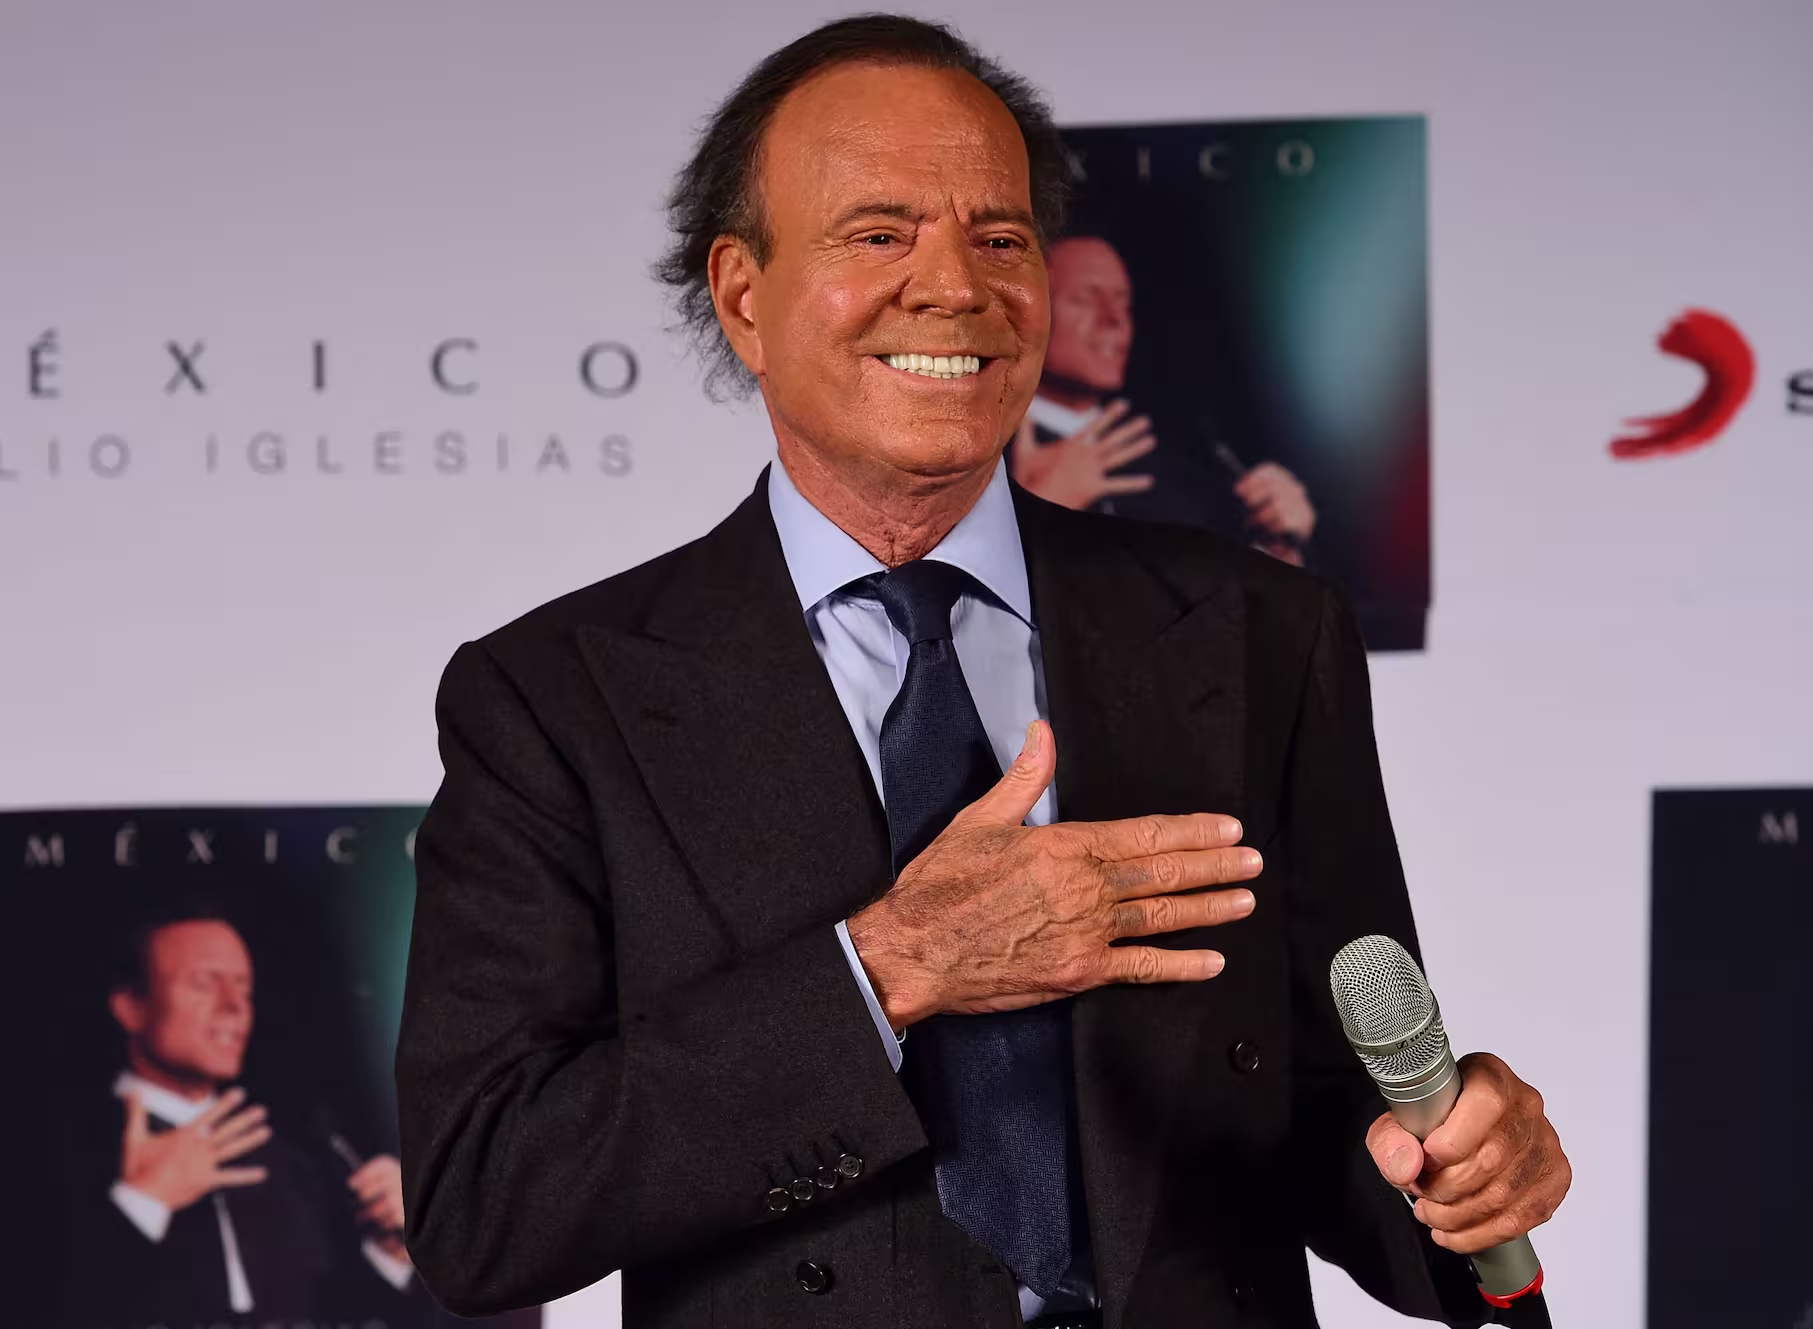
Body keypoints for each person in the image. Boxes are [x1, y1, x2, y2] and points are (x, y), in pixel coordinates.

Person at [395, 16, 1569, 1328]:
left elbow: (1330, 1104)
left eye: (1002, 239)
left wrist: (1459, 1170)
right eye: (878, 233)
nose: (956, 286)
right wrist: (888, 968)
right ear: (742, 296)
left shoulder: (1256, 630)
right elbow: (484, 1202)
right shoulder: (557, 699)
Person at [71, 906, 423, 1325]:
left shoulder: (294, 1158)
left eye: (243, 986)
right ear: (131, 1006)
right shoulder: (60, 1147)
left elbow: (337, 1312)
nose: (235, 1006)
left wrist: (392, 1253)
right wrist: (141, 1202)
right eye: (204, 983)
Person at [1014, 234, 1317, 566]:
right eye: (1086, 299)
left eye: (1124, 302)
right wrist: (1033, 515)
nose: (1115, 319)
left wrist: (1279, 550)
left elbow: (1226, 594)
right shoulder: (988, 461)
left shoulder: (1181, 474)